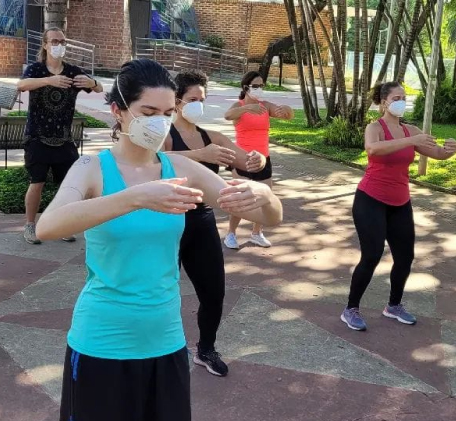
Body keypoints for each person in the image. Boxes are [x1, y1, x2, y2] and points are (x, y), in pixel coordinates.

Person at [35, 59, 282, 420]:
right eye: (147, 111)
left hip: (164, 339)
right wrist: (135, 197)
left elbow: (268, 216)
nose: (159, 121)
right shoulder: (91, 168)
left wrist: (265, 196)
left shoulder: (179, 170)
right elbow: (48, 226)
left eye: (167, 112)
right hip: (102, 340)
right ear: (119, 111)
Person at [162, 70, 266, 377]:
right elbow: (154, 162)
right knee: (161, 290)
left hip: (201, 220)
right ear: (178, 101)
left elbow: (244, 160)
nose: (198, 105)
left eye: (202, 100)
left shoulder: (213, 137)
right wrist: (200, 154)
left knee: (213, 292)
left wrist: (255, 160)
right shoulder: (166, 134)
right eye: (193, 100)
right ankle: (162, 348)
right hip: (167, 220)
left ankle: (205, 349)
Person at [340, 82, 456, 331]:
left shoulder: (411, 131)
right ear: (384, 102)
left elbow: (436, 152)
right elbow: (373, 148)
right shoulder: (375, 128)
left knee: (405, 258)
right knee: (372, 255)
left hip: (400, 201)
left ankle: (393, 306)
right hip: (370, 199)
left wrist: (449, 151)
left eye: (405, 97)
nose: (402, 101)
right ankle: (351, 308)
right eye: (397, 97)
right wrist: (412, 140)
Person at [18, 27, 103, 244]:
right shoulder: (36, 69)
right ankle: (30, 226)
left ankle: (64, 224)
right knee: (37, 182)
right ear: (45, 45)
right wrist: (49, 81)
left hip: (64, 138)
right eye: (55, 41)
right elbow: (22, 85)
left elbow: (99, 88)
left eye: (63, 41)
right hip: (37, 136)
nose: (59, 45)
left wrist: (92, 83)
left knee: (70, 183)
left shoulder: (72, 71)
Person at [222, 71, 293, 249]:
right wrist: (247, 108)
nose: (259, 89)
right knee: (240, 199)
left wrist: (287, 109)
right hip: (242, 158)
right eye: (255, 86)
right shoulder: (238, 106)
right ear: (246, 87)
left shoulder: (265, 106)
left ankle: (256, 233)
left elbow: (287, 116)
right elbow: (227, 115)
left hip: (263, 158)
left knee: (264, 196)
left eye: (262, 85)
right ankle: (231, 233)